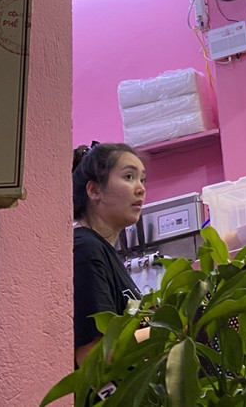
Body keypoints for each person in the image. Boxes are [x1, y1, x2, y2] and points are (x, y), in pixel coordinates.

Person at [72, 142, 149, 367]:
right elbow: (92, 357)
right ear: (94, 190)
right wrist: (167, 329)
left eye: (142, 179)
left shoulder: (104, 251)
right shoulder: (86, 249)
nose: (141, 189)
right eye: (129, 177)